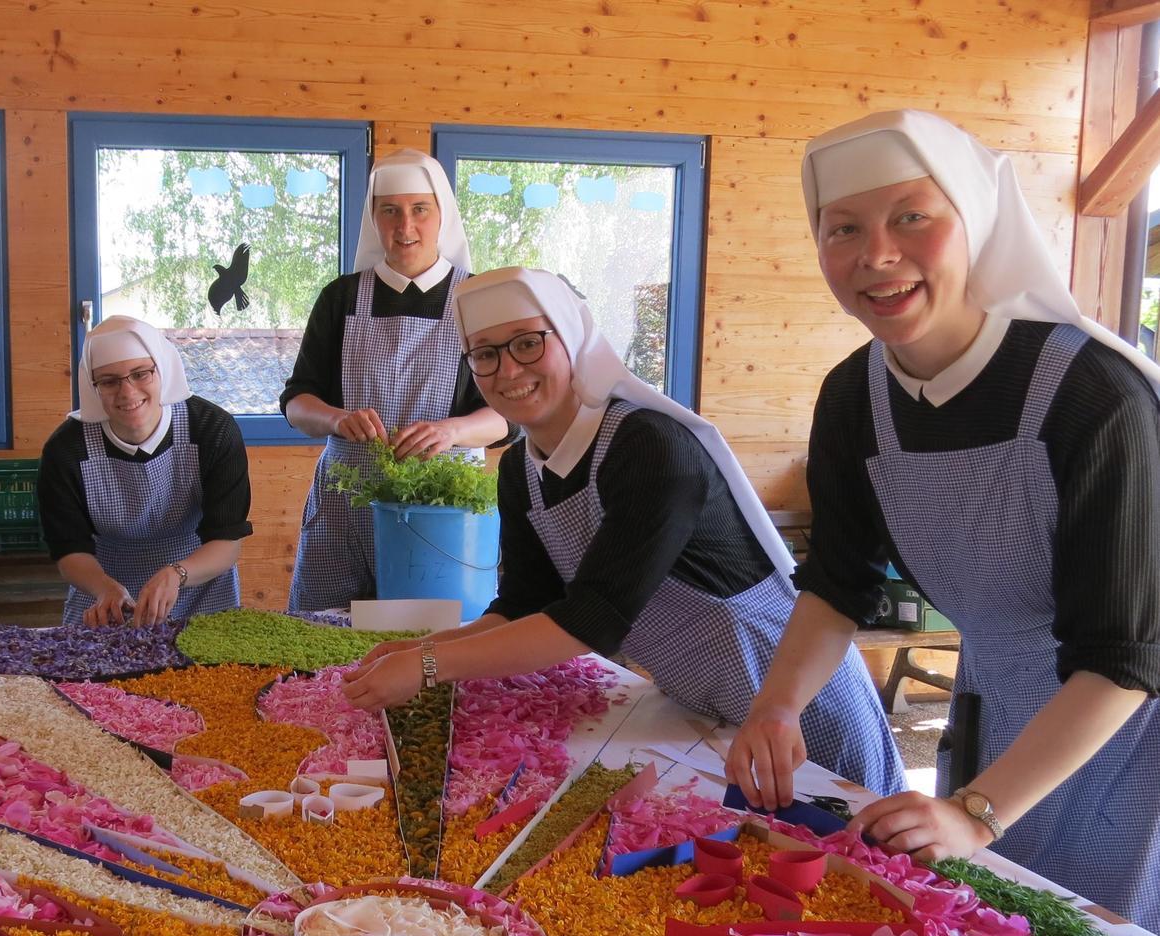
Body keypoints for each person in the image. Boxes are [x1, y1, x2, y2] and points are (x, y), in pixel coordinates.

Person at [726, 110, 1160, 929]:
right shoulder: (855, 397)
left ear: (975, 220)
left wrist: (976, 812)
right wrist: (777, 708)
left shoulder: (1094, 396)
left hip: (1126, 722)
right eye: (843, 228)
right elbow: (838, 584)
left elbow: (1124, 656)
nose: (876, 255)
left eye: (911, 217)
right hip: (997, 697)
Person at [344, 267, 906, 797]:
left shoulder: (648, 446)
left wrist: (427, 667)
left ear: (570, 338)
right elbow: (523, 605)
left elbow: (593, 618)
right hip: (699, 699)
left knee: (860, 851)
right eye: (485, 355)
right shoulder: (520, 471)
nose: (508, 371)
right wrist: (420, 647)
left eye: (526, 343)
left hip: (795, 696)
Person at [282, 149, 509, 611]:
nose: (405, 226)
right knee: (322, 640)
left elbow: (509, 415)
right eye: (390, 211)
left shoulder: (479, 299)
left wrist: (452, 431)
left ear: (442, 215)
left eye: (419, 210)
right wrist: (336, 419)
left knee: (436, 642)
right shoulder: (339, 298)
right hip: (345, 510)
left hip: (440, 511)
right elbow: (297, 402)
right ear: (374, 218)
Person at [39, 315, 251, 626]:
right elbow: (69, 549)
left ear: (162, 370)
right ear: (92, 386)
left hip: (200, 588)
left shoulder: (211, 431)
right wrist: (104, 588)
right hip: (104, 596)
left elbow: (228, 541)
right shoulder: (66, 450)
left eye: (140, 374)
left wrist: (177, 574)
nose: (127, 392)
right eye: (109, 381)